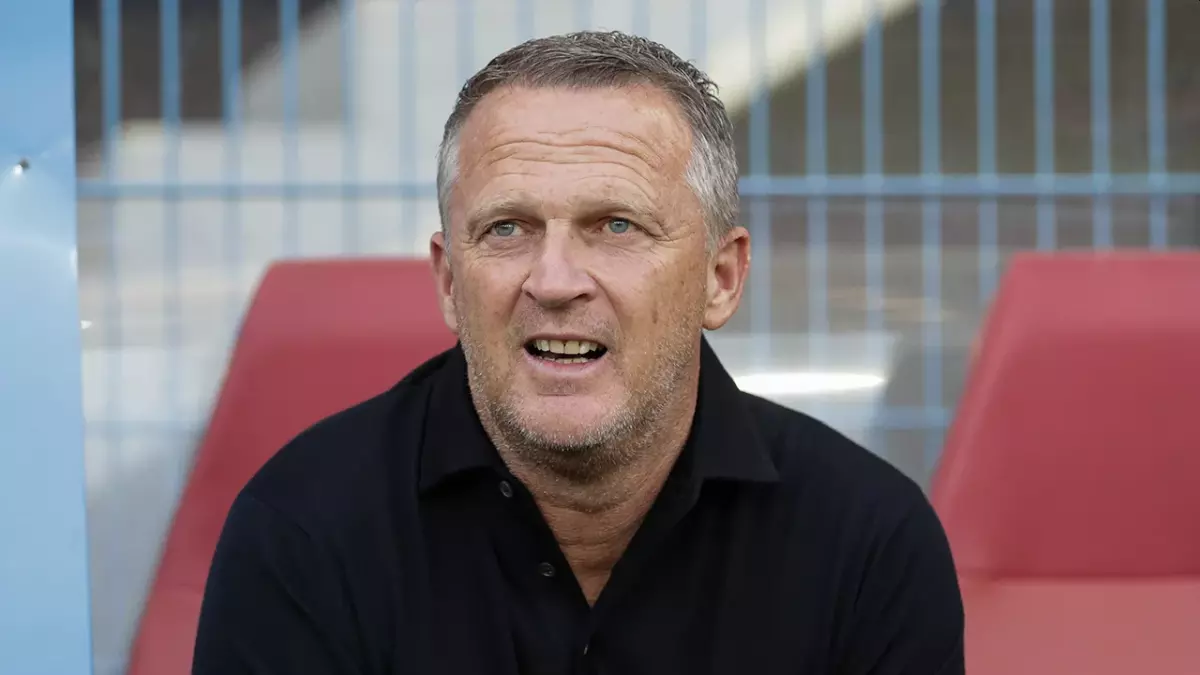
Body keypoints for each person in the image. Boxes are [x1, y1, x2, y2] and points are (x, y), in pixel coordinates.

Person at [192, 30, 964, 675]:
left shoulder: (867, 547)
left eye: (616, 225)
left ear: (720, 278)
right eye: (508, 228)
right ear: (450, 282)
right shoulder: (305, 533)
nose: (555, 281)